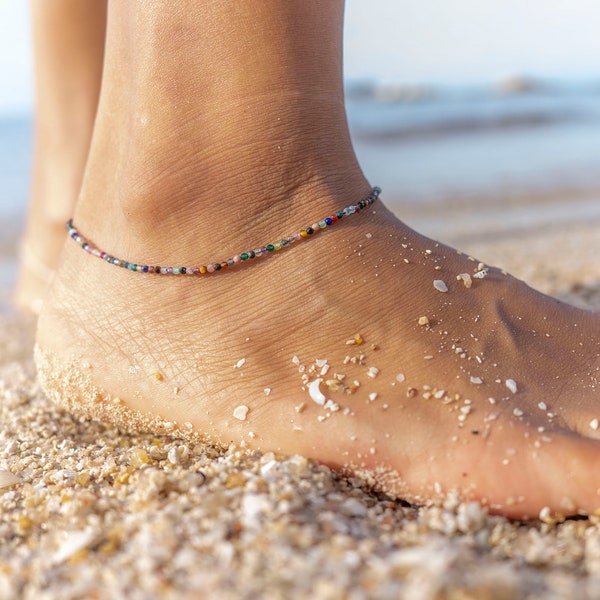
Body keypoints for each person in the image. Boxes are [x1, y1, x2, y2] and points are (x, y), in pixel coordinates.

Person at [18, 0, 600, 519]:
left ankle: (74, 208)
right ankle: (206, 209)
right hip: (194, 263)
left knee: (82, 205)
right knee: (205, 189)